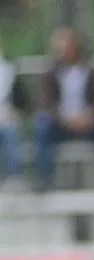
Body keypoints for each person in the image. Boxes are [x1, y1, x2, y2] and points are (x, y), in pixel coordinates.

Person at [34, 27, 94, 189]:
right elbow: (46, 102)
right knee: (42, 125)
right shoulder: (51, 73)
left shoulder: (93, 71)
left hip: (90, 123)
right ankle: (44, 179)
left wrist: (91, 115)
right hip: (61, 125)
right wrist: (63, 118)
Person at [0, 31, 28, 183]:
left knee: (10, 130)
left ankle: (13, 178)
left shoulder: (9, 70)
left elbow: (21, 100)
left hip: (6, 117)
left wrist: (11, 111)